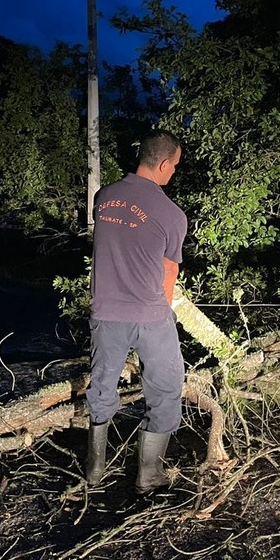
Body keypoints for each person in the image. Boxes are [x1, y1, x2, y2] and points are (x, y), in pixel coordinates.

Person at [86, 132, 187, 493]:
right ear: (163, 164)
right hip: (148, 313)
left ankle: (95, 471)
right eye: (174, 166)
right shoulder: (172, 214)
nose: (173, 172)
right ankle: (148, 475)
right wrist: (164, 313)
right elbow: (168, 272)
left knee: (102, 384)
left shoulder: (104, 198)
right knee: (165, 387)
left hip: (105, 311)